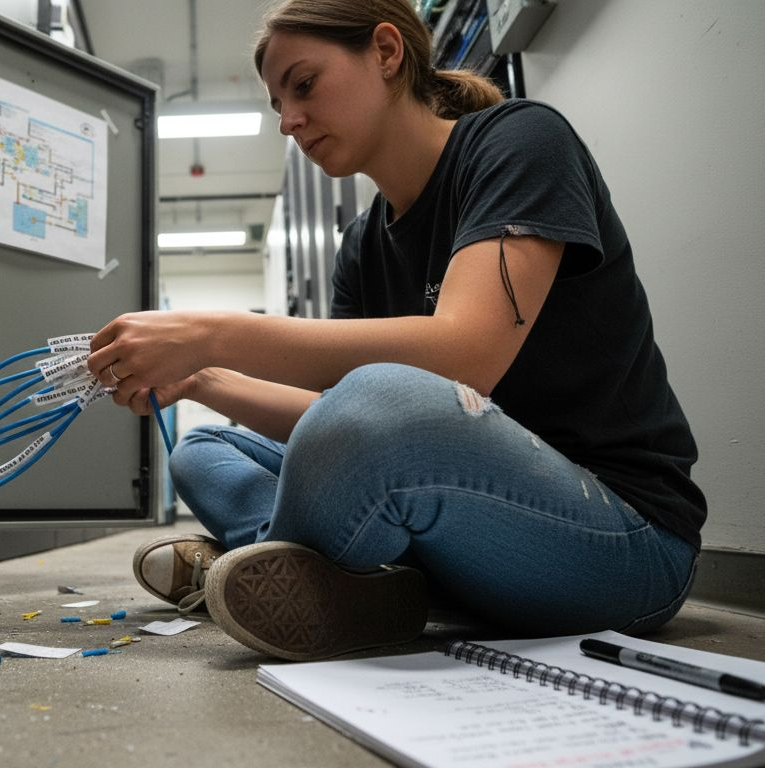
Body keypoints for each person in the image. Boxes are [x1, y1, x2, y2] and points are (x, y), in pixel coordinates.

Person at [88, 0, 706, 662]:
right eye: (277, 105)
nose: (289, 121)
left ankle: (285, 568)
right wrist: (206, 379)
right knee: (203, 450)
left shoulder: (520, 141)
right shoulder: (361, 243)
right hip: (457, 515)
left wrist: (212, 333)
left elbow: (464, 358)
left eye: (303, 85)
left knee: (381, 400)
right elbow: (333, 423)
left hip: (621, 538)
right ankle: (337, 577)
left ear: (386, 52)